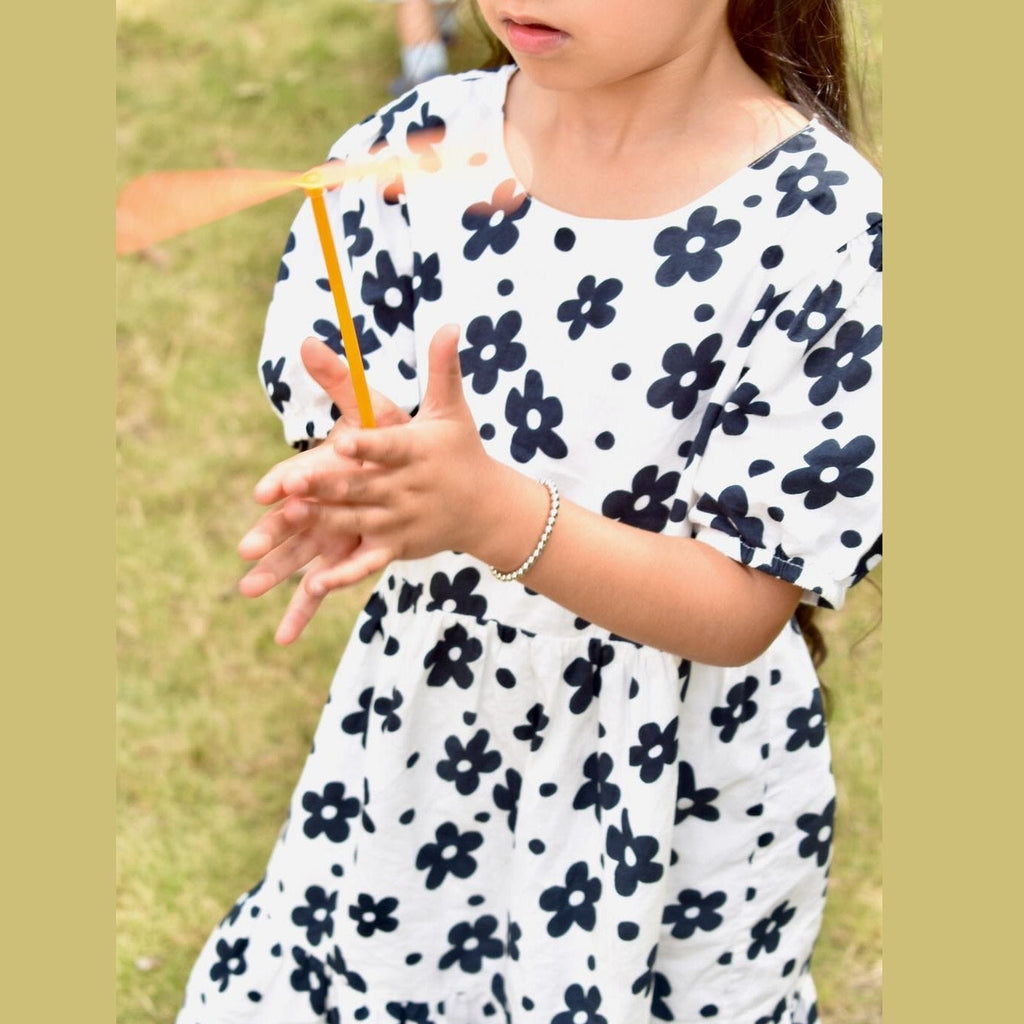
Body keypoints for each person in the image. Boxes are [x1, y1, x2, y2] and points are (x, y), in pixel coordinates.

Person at [177, 1, 881, 1021]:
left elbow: (737, 611)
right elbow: (374, 417)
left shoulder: (825, 232)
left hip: (668, 797)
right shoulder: (412, 156)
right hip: (429, 741)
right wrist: (367, 476)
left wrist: (493, 513)